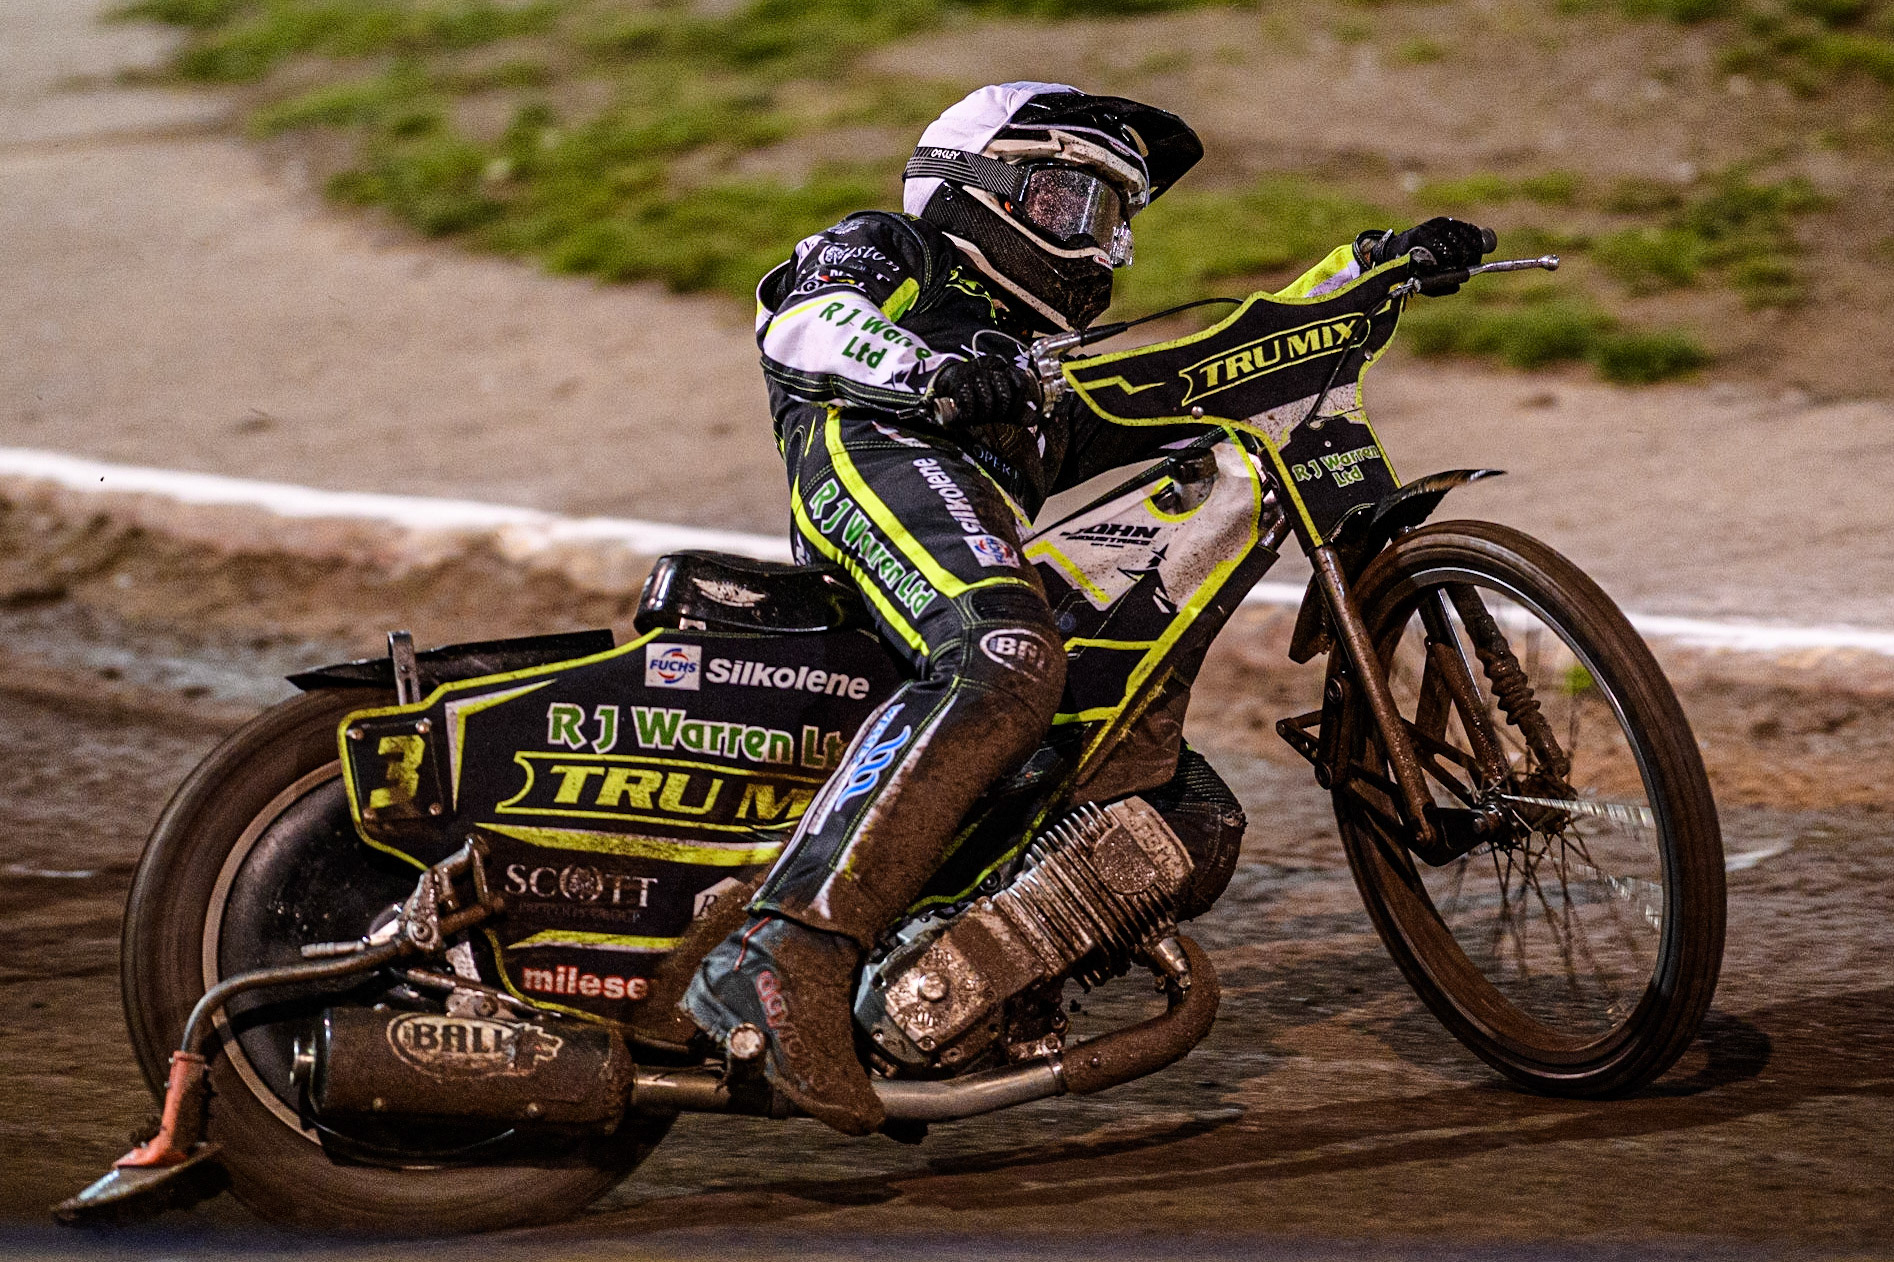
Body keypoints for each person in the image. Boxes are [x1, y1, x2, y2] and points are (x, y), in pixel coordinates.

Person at [682, 81, 1491, 1135]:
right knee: (1008, 652)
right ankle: (777, 955)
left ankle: (932, 995)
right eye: (1072, 203)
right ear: (977, 188)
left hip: (973, 497)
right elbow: (803, 324)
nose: (1099, 246)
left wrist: (1365, 271)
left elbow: (1221, 366)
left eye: (1115, 221)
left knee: (1183, 816)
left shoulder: (1035, 372)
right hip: (866, 452)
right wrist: (933, 367)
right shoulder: (890, 246)